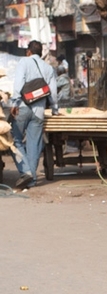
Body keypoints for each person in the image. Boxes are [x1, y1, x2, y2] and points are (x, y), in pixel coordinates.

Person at [10, 40, 59, 190]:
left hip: (23, 107)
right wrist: (55, 110)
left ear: (28, 51)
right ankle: (31, 179)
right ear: (41, 53)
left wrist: (14, 102)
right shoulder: (48, 68)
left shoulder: (24, 62)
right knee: (34, 145)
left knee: (13, 140)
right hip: (39, 111)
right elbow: (53, 93)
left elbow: (19, 82)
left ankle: (26, 172)